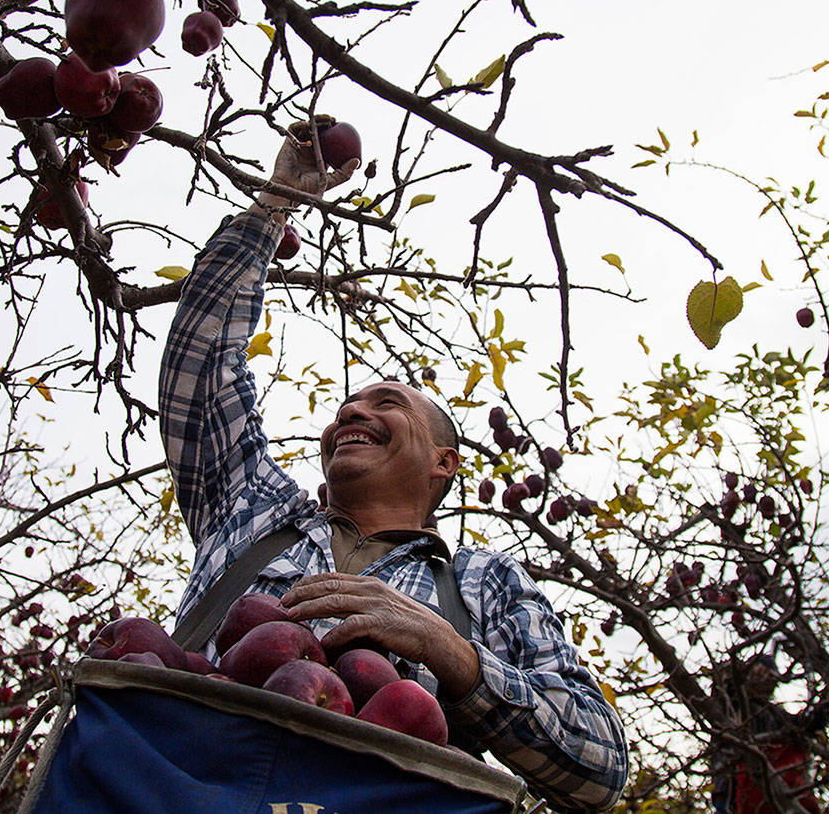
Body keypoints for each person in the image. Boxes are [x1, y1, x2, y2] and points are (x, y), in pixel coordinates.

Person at [157, 119, 629, 811]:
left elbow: (601, 766)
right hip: (174, 785)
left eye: (385, 403)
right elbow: (200, 365)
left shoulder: (482, 584)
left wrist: (456, 657)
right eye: (343, 407)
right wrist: (275, 202)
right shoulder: (256, 507)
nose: (349, 413)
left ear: (445, 461)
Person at [709, 655, 829, 814]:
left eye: (771, 679)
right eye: (760, 675)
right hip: (729, 789)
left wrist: (821, 711)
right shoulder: (731, 702)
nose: (766, 682)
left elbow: (801, 727)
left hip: (770, 792)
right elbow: (720, 688)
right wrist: (733, 670)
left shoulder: (775, 714)